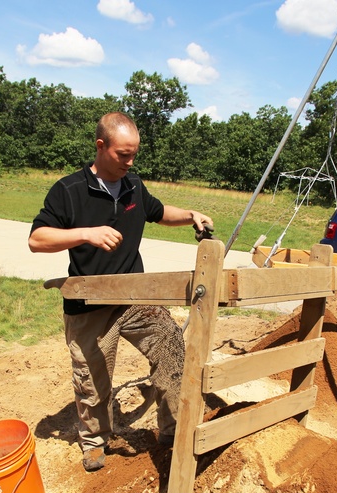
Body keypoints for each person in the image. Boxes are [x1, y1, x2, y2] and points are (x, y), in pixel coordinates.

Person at [29, 112, 214, 472]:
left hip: (134, 300)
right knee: (93, 382)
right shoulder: (69, 190)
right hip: (88, 306)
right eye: (123, 155)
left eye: (134, 155)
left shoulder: (133, 186)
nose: (130, 163)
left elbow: (159, 212)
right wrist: (86, 233)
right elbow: (37, 240)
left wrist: (191, 213)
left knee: (171, 346)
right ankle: (95, 441)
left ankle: (174, 429)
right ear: (101, 146)